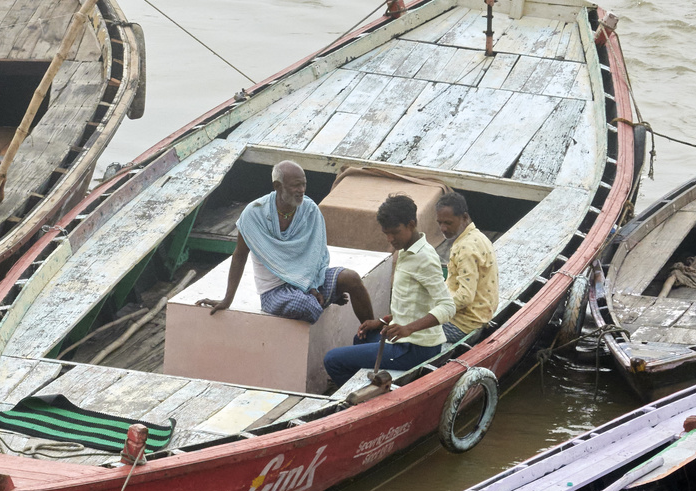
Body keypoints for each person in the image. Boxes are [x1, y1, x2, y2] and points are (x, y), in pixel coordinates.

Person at [196, 160, 373, 324]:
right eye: (296, 185)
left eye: (304, 184)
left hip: (311, 281)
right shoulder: (254, 214)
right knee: (307, 306)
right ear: (277, 186)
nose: (302, 190)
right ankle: (325, 298)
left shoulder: (310, 210)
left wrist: (312, 287)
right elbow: (239, 255)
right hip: (275, 291)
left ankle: (372, 337)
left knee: (351, 279)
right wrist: (227, 299)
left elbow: (317, 254)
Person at [321, 193, 456, 391]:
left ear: (411, 224)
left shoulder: (425, 258)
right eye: (386, 233)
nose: (390, 239)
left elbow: (447, 306)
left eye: (394, 232)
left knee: (332, 360)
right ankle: (367, 387)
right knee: (362, 337)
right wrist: (383, 322)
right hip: (405, 340)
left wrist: (408, 328)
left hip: (415, 348)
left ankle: (361, 400)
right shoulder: (405, 249)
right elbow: (412, 302)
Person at [435, 190, 498, 344]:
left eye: (448, 223)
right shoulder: (479, 237)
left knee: (408, 330)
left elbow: (464, 297)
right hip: (480, 314)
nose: (443, 228)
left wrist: (434, 311)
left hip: (463, 324)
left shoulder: (466, 249)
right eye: (440, 223)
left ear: (464, 217)